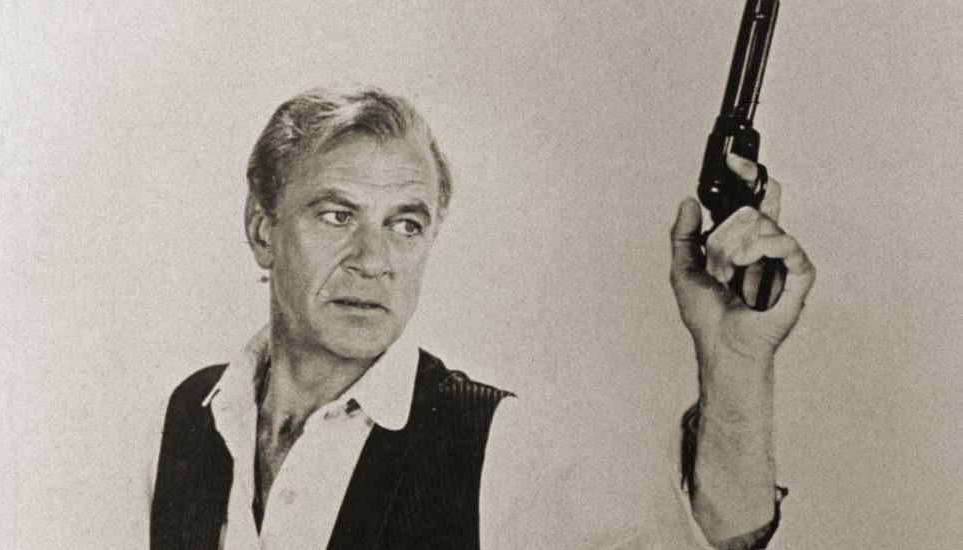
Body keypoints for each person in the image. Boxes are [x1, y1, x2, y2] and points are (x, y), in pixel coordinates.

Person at [146, 86, 815, 549]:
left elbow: (707, 539)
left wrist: (736, 363)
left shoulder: (495, 444)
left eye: (405, 225)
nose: (373, 260)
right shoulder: (192, 416)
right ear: (262, 230)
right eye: (336, 215)